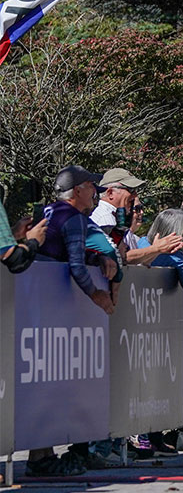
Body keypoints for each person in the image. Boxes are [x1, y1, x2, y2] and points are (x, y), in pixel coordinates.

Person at [27, 166, 118, 476]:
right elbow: (75, 267)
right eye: (92, 185)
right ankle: (41, 457)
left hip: (31, 308)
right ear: (78, 190)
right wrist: (97, 296)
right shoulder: (76, 218)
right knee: (47, 383)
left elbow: (63, 252)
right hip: (43, 314)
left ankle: (42, 453)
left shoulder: (47, 211)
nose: (96, 192)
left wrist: (98, 258)